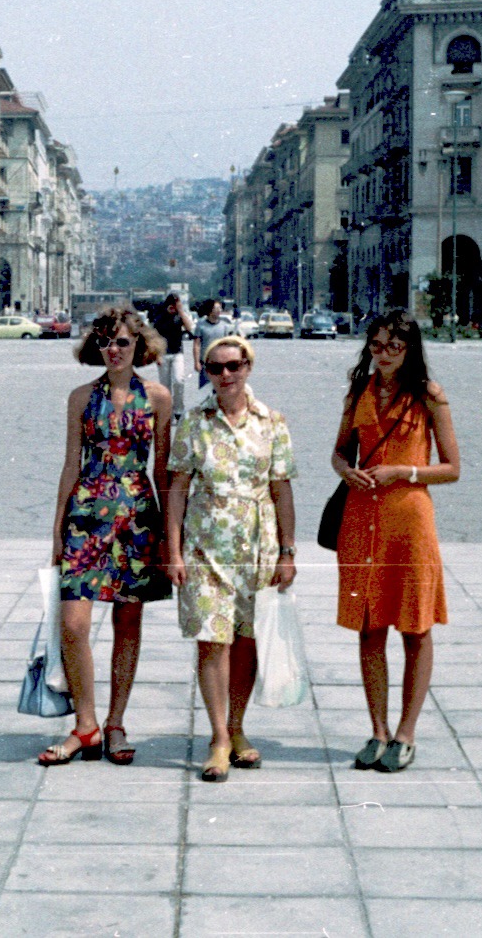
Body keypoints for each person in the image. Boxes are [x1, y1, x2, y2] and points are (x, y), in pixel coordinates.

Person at [40, 306, 173, 766]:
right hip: (86, 516)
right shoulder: (81, 398)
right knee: (73, 624)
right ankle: (86, 724)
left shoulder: (158, 398)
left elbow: (163, 471)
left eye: (121, 342)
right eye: (105, 342)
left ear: (140, 345)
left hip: (136, 518)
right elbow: (70, 464)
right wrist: (58, 529)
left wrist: (169, 537)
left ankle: (114, 723)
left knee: (127, 623)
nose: (112, 350)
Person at [332, 309, 460, 774]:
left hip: (409, 521)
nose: (383, 354)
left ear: (410, 350)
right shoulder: (359, 392)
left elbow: (452, 467)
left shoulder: (429, 396)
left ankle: (406, 732)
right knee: (369, 626)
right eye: (377, 345)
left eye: (394, 346)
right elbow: (339, 451)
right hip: (362, 517)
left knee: (415, 626)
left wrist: (401, 471)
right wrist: (348, 471)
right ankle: (378, 729)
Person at [164, 335, 296, 782]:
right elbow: (178, 488)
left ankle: (238, 727)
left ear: (248, 368)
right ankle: (219, 736)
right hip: (205, 548)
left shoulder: (272, 422)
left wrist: (288, 552)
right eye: (216, 368)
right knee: (211, 639)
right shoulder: (194, 423)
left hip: (257, 548)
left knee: (245, 641)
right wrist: (173, 549)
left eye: (233, 366)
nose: (225, 375)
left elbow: (282, 488)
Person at [149, 292, 195, 419]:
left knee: (179, 380)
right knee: (165, 385)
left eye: (176, 304)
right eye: (172, 304)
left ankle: (179, 409)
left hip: (177, 353)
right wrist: (156, 355)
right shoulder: (160, 316)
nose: (173, 307)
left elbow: (190, 327)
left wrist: (180, 311)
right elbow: (154, 337)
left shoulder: (179, 316)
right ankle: (166, 409)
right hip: (163, 354)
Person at [192, 298, 238, 391]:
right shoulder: (201, 325)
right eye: (216, 308)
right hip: (206, 363)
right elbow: (196, 344)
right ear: (209, 310)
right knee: (205, 390)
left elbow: (227, 345)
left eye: (220, 308)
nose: (219, 310)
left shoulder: (224, 326)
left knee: (220, 390)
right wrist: (196, 362)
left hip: (221, 363)